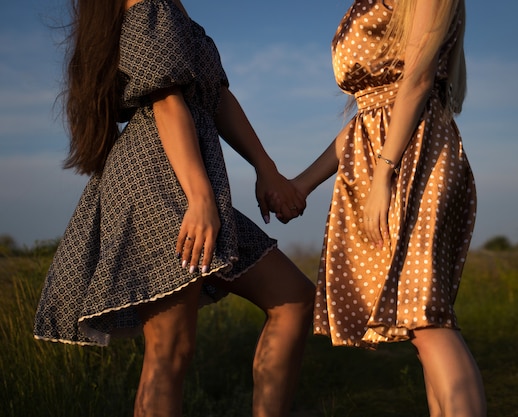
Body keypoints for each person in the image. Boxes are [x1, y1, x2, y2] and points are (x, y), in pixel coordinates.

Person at [33, 0, 314, 416]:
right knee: (170, 352)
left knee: (293, 297)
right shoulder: (149, 4)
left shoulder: (172, 9)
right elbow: (166, 101)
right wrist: (200, 198)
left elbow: (217, 97)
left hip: (189, 179)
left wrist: (266, 168)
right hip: (160, 180)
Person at [276, 0, 486, 415]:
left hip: (414, 156)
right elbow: (364, 122)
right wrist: (302, 184)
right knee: (418, 325)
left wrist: (384, 175)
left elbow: (419, 79)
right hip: (381, 157)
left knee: (426, 318)